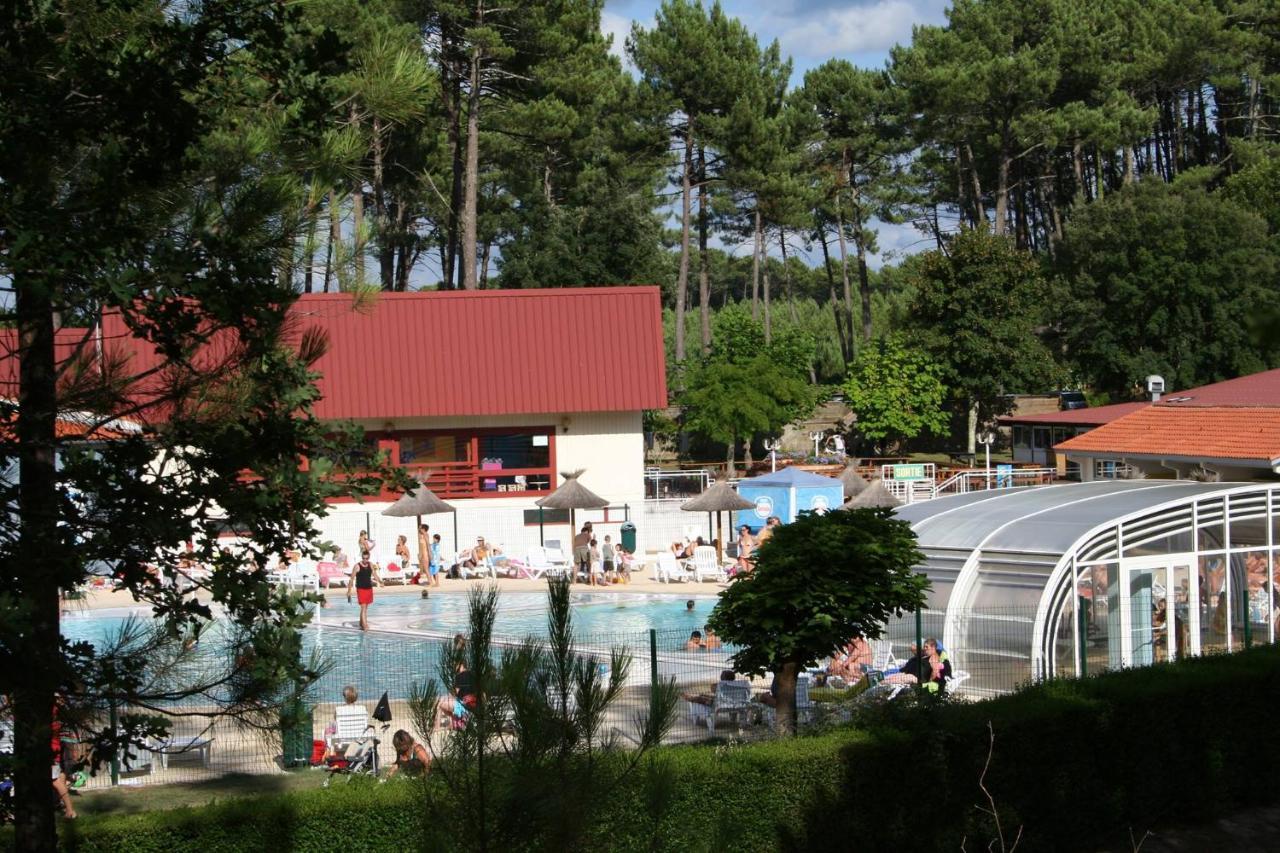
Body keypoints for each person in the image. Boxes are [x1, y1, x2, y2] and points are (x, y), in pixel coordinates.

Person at [436, 635, 477, 730]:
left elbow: (458, 695)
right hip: (471, 703)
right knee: (445, 700)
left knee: (440, 703)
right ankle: (452, 724)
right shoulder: (470, 674)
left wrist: (451, 695)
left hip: (465, 706)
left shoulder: (459, 676)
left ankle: (437, 727)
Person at [346, 550, 380, 631]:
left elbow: (374, 574)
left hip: (369, 588)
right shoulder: (357, 566)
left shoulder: (370, 564)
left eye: (367, 558)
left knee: (365, 608)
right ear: (362, 557)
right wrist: (349, 591)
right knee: (363, 607)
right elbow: (351, 579)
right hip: (361, 589)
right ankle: (365, 626)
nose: (365, 560)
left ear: (369, 558)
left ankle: (361, 623)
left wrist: (380, 581)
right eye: (364, 558)